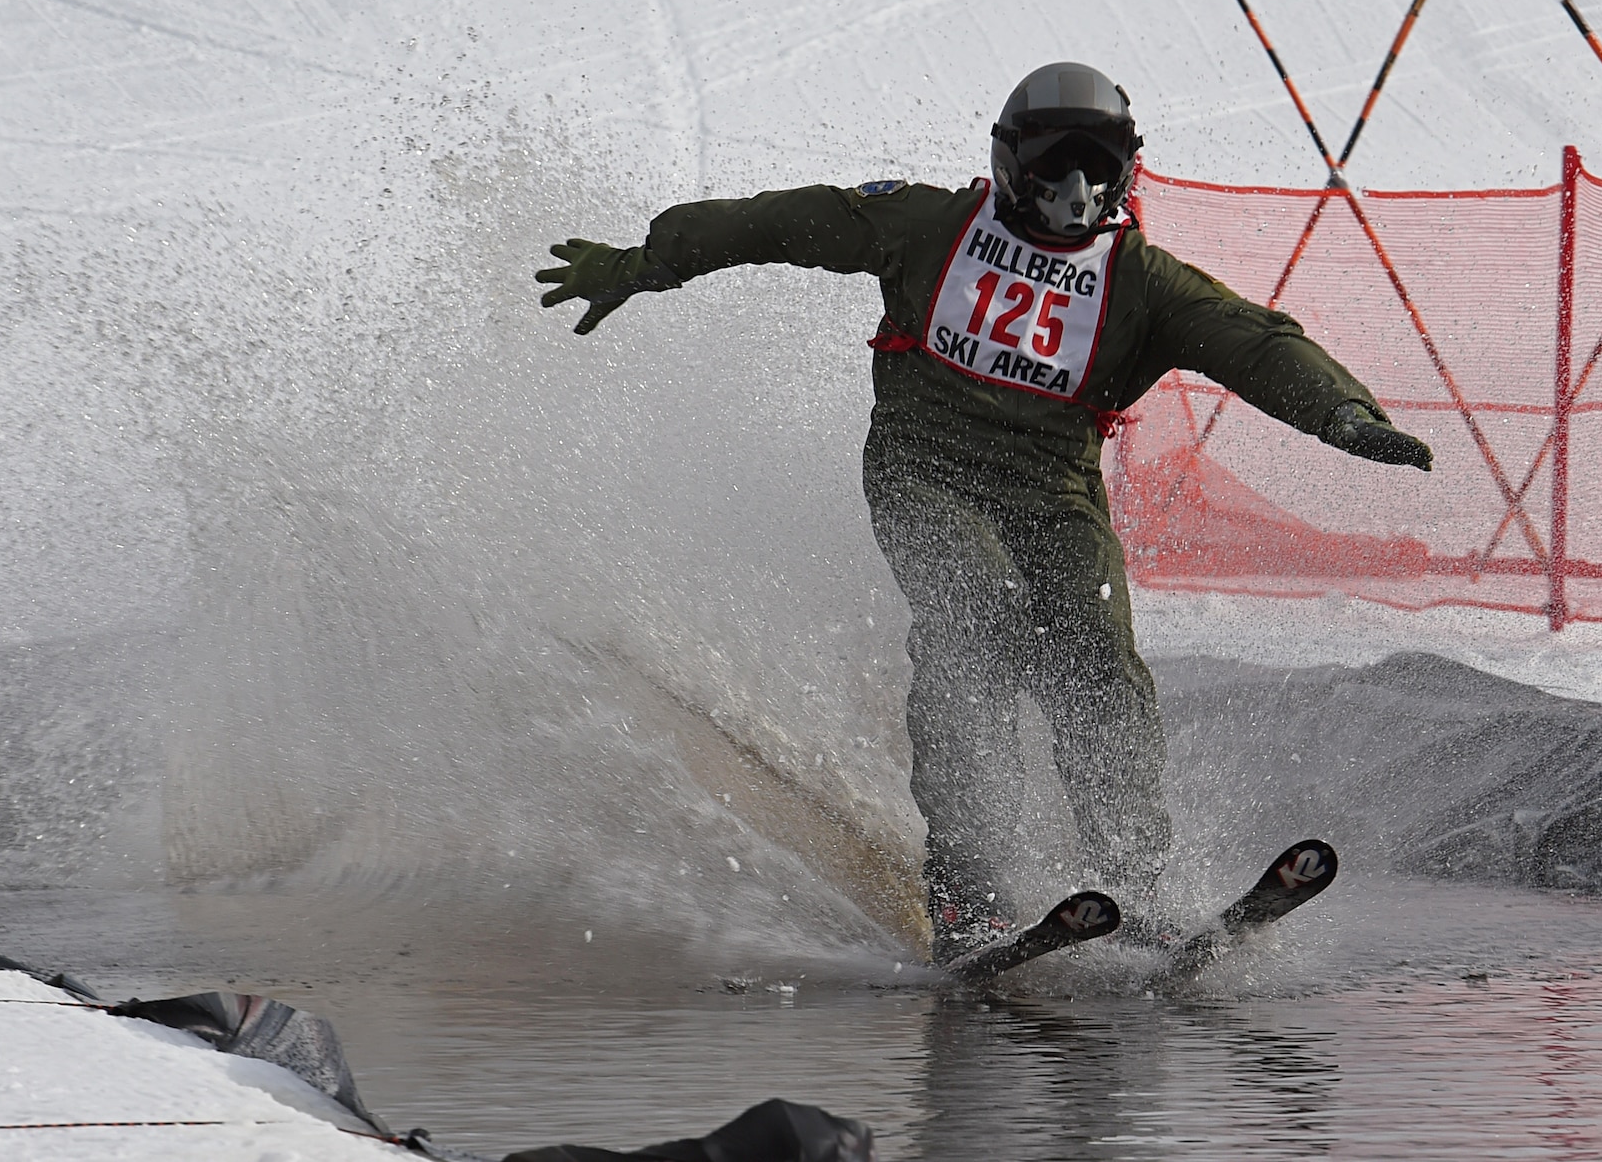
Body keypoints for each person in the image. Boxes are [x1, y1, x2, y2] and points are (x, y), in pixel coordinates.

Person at [533, 63, 1431, 962]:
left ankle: (1134, 881)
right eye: (1053, 167)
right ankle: (968, 899)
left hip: (1054, 496)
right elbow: (779, 222)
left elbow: (1252, 339)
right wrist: (649, 261)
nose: (1073, 194)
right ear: (1010, 162)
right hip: (925, 472)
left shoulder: (1138, 281)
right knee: (976, 619)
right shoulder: (930, 227)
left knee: (1098, 659)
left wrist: (1339, 410)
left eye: (1096, 169)